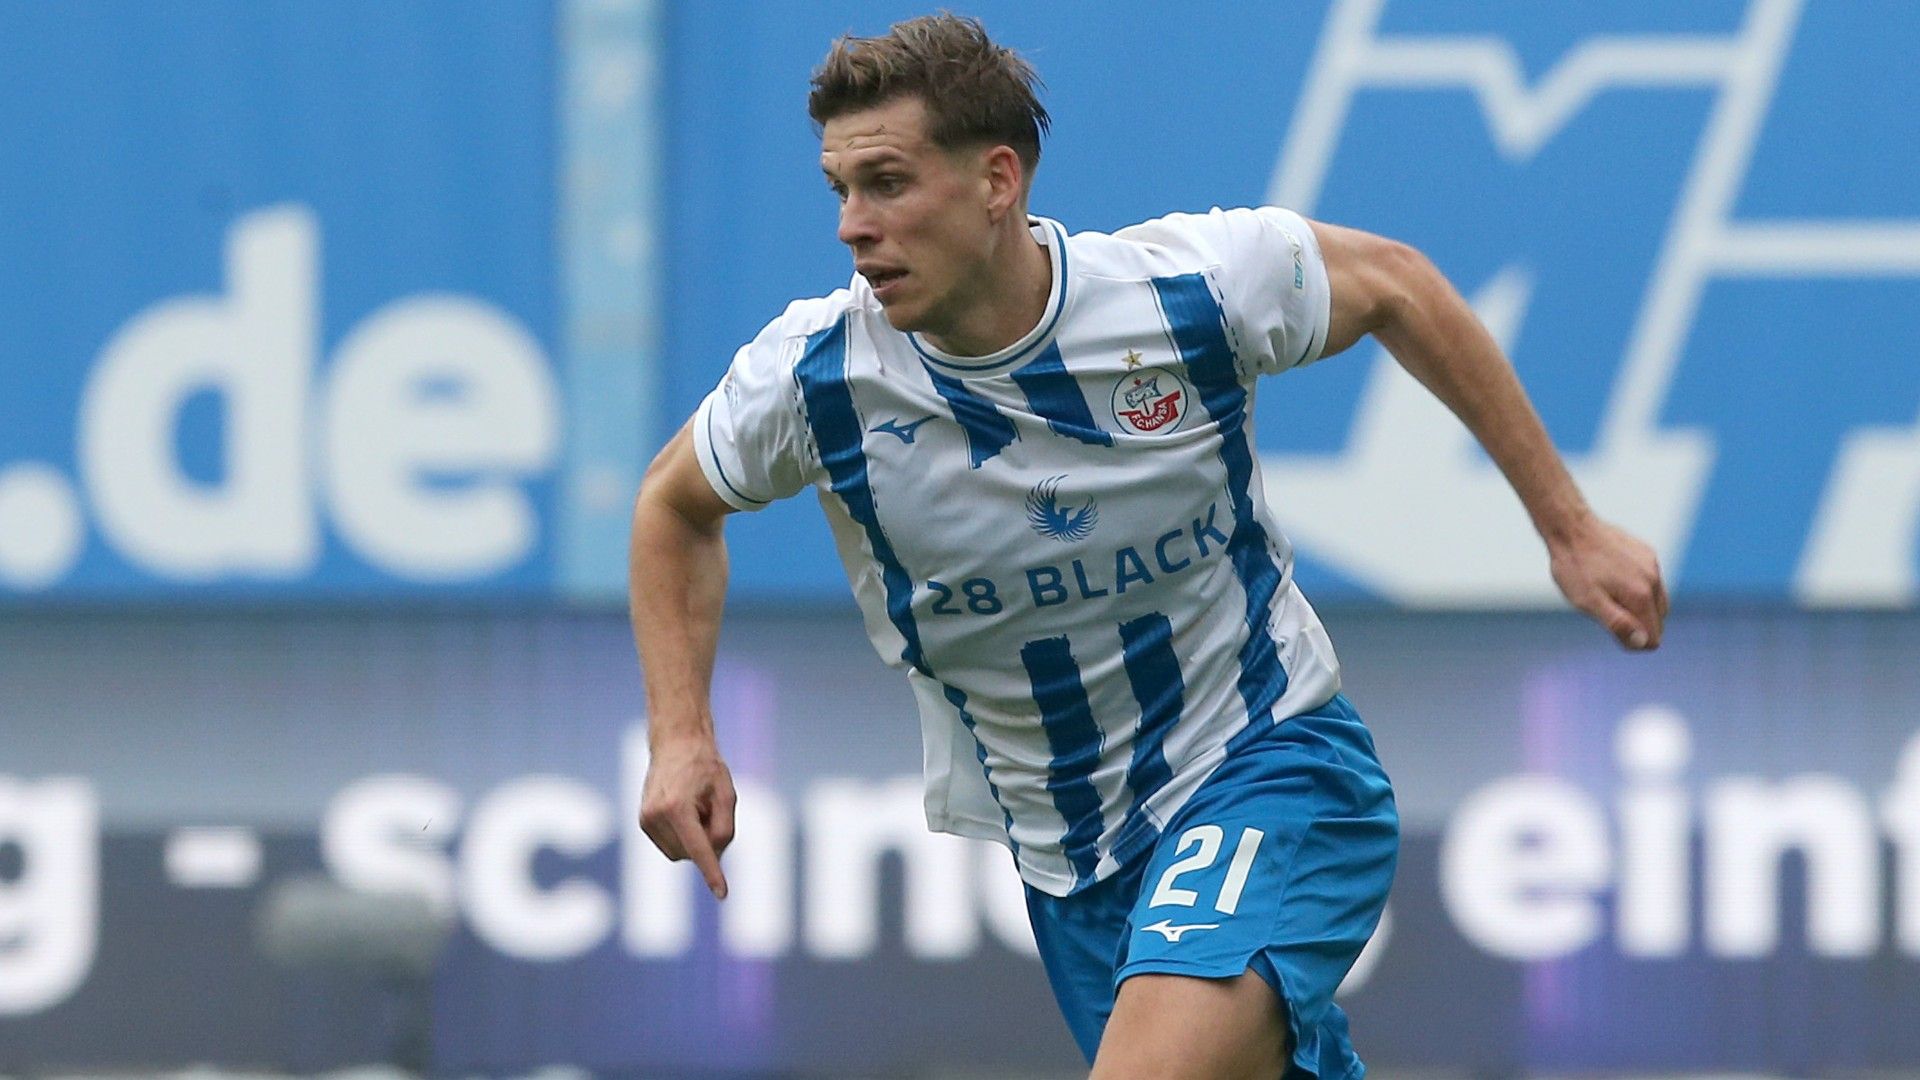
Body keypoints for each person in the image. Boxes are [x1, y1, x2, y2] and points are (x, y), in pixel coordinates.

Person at [630, 13, 1667, 1080]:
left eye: (887, 182)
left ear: (997, 181)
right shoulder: (815, 377)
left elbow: (1399, 283)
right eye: (839, 189)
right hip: (1073, 866)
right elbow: (671, 507)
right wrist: (681, 734)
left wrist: (1570, 528)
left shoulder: (1187, 294)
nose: (853, 225)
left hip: (1267, 764)